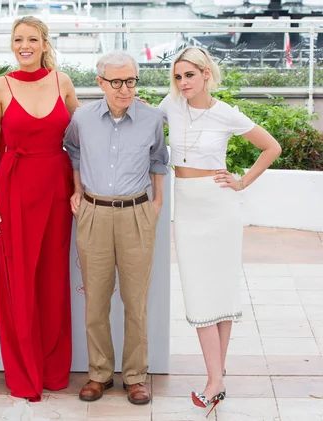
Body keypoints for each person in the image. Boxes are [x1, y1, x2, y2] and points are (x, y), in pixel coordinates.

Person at [158, 46, 281, 415]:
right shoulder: (171, 105)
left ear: (206, 74)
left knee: (221, 294)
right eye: (178, 77)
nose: (182, 83)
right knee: (199, 294)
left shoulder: (226, 113)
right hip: (189, 206)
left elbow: (271, 147)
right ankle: (218, 375)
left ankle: (215, 379)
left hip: (220, 206)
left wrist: (242, 181)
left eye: (189, 76)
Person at [0, 16, 79, 402]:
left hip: (57, 190)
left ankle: (55, 371)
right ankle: (24, 372)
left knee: (54, 281)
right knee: (18, 282)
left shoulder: (63, 82)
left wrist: (125, 102)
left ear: (44, 43)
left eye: (32, 39)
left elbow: (84, 128)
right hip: (14, 190)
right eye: (18, 39)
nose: (25, 45)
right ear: (12, 44)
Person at [64, 50, 168, 405]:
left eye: (131, 81)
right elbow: (72, 152)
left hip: (137, 213)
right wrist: (77, 190)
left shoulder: (152, 118)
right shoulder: (82, 118)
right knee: (95, 299)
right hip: (93, 213)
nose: (125, 89)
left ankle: (136, 376)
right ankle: (99, 374)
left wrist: (156, 203)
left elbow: (158, 160)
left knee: (135, 300)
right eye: (117, 82)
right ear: (101, 83)